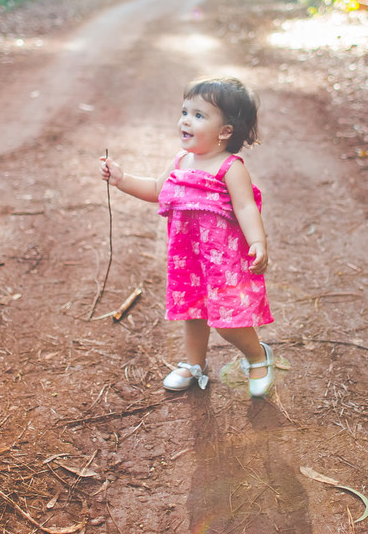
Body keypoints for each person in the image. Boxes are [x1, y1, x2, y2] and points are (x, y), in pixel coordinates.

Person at [100, 77, 276, 397]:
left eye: (199, 115)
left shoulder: (229, 168)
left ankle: (256, 355)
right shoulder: (181, 161)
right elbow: (156, 189)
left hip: (224, 260)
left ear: (226, 132)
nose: (185, 120)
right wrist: (121, 179)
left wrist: (258, 243)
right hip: (188, 258)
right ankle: (196, 365)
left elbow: (247, 207)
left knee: (226, 320)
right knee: (193, 313)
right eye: (185, 112)